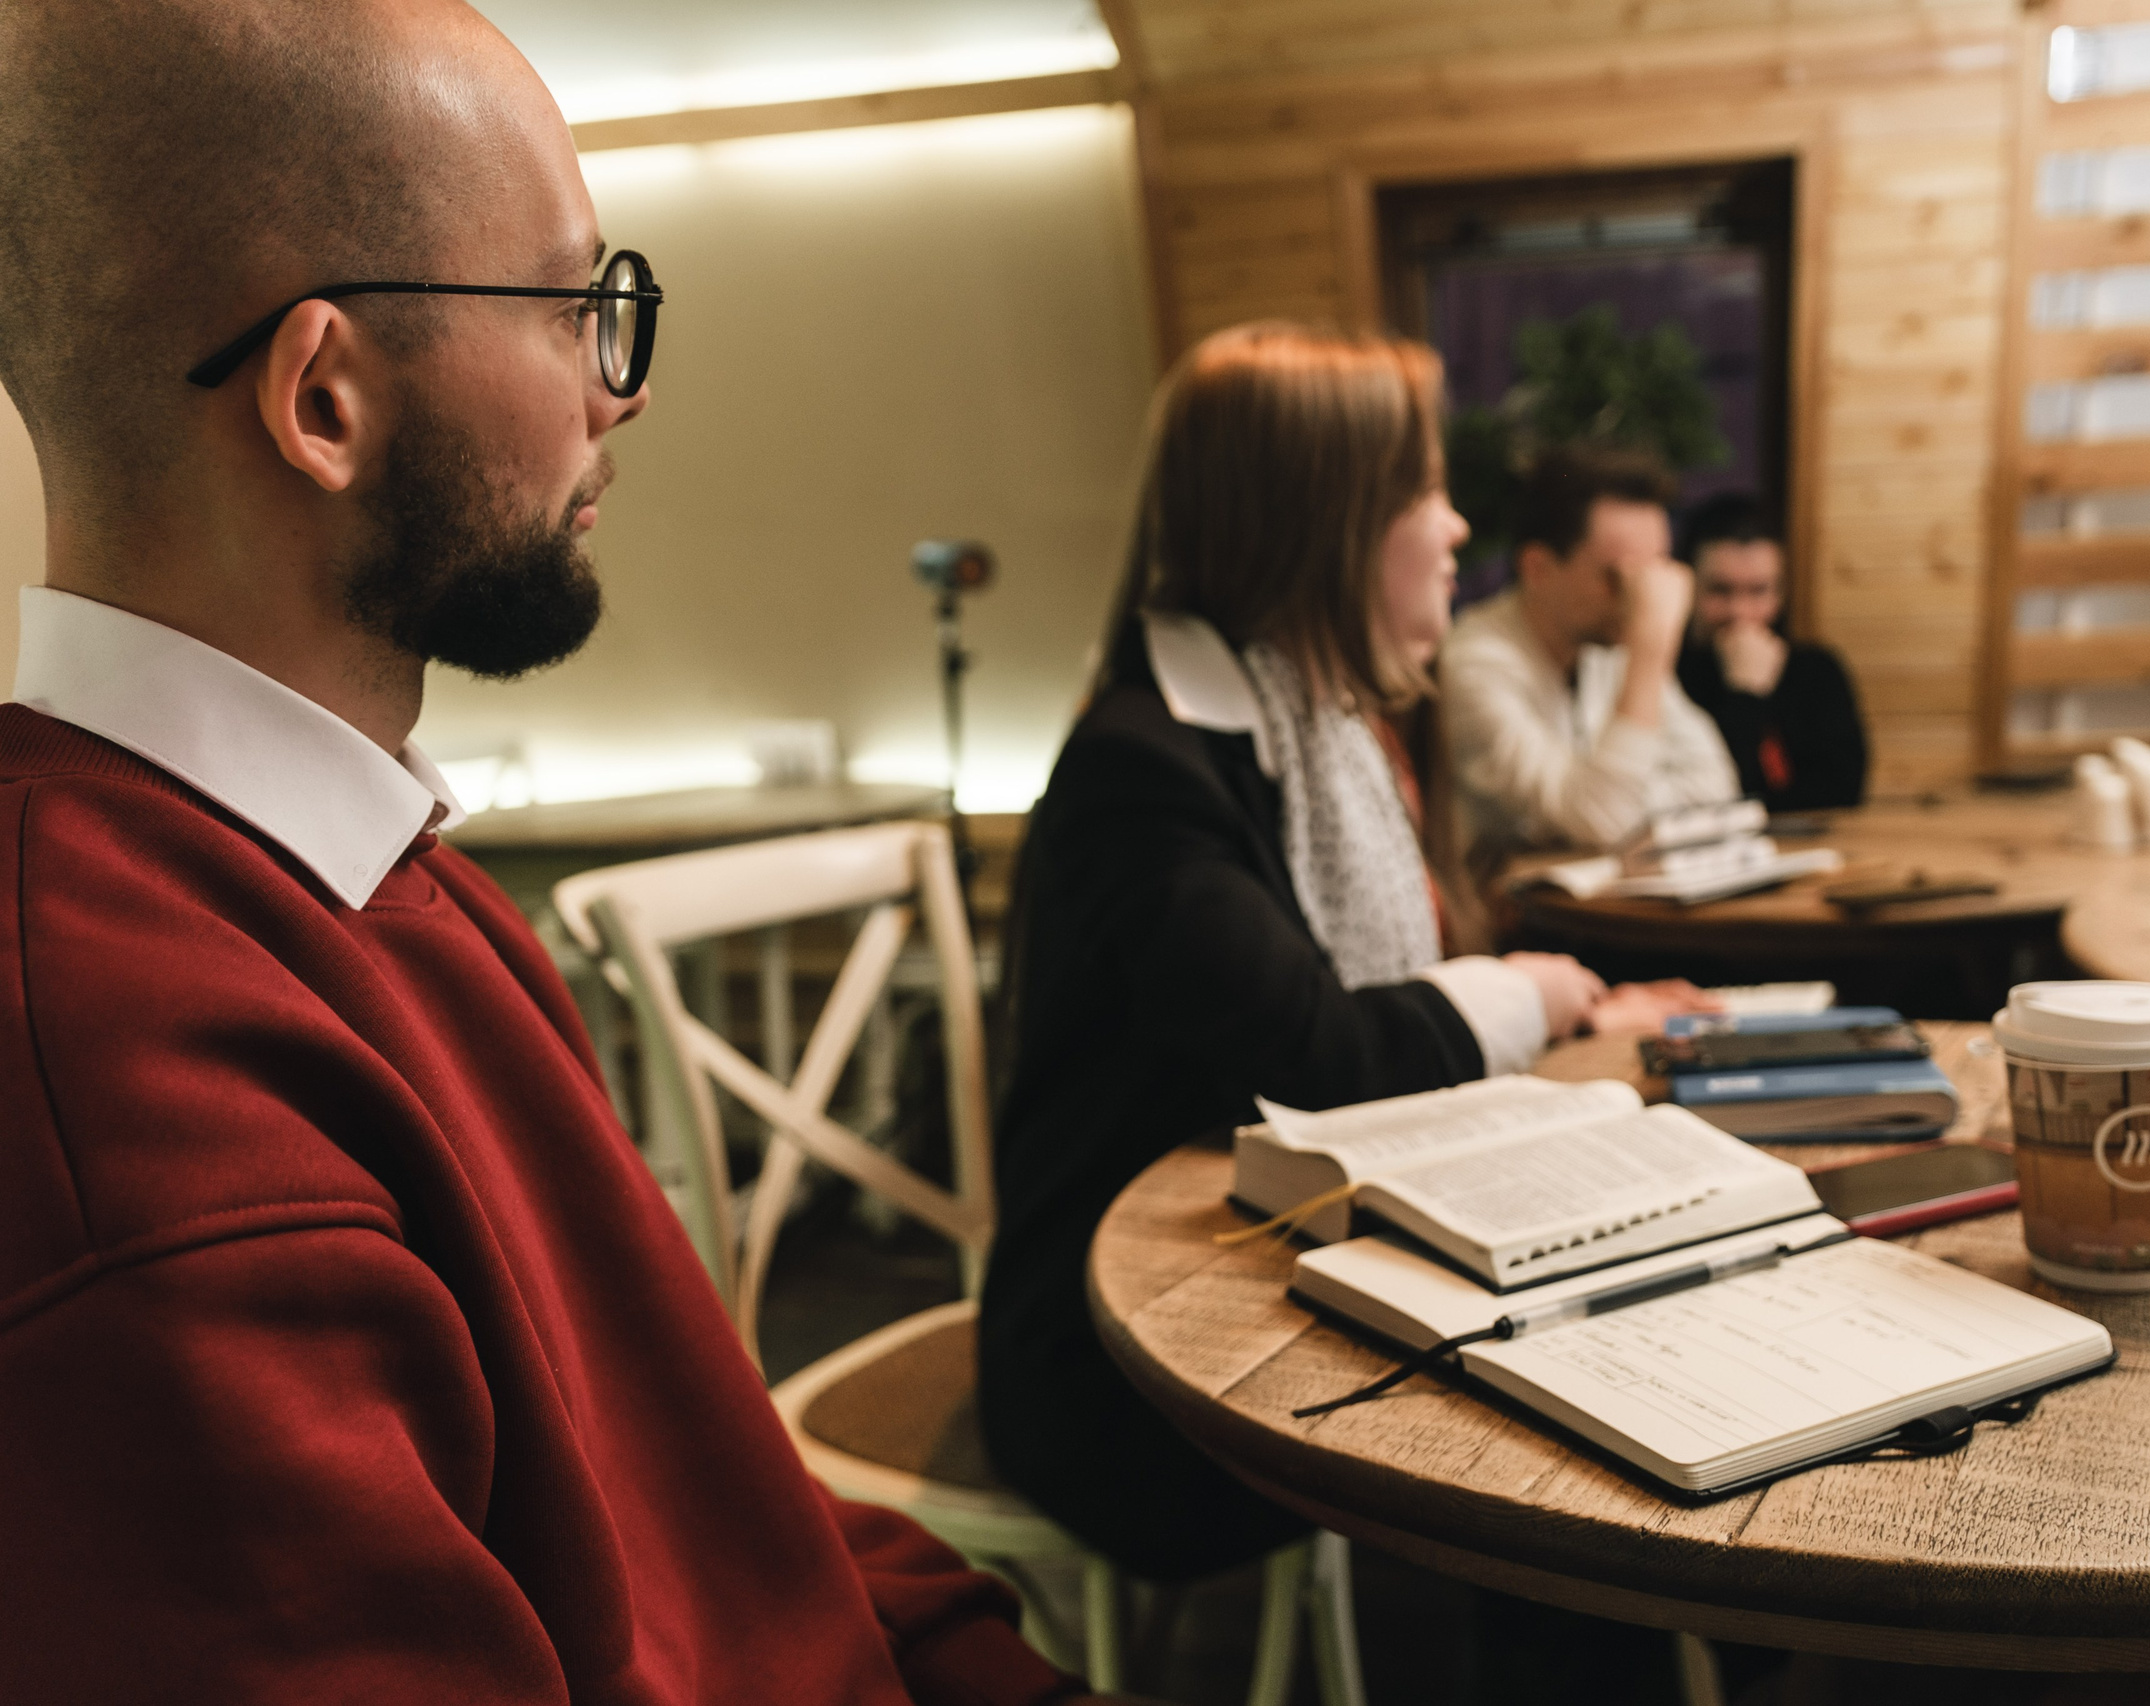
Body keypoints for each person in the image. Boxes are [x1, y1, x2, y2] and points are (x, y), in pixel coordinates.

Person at [0, 3, 1105, 1700]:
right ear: (324, 400)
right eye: (578, 302)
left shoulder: (385, 872)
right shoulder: (119, 1098)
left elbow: (711, 1499)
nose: (622, 388)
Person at [980, 323, 1656, 1583]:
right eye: (1421, 491)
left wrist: (1561, 1001)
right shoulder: (1150, 761)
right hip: (1130, 1363)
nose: (1458, 530)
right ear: (1315, 523)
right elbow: (1323, 1051)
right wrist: (1533, 993)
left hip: (1262, 1266)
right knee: (1559, 1439)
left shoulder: (1312, 726)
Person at [1438, 445, 1740, 867]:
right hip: (1507, 928)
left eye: (1654, 572)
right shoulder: (1474, 665)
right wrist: (1650, 649)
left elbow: (1715, 786)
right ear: (1538, 568)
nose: (1642, 599)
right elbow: (1604, 820)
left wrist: (1609, 804)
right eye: (1619, 576)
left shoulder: (1607, 647)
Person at [1677, 494, 1869, 811]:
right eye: (1720, 590)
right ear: (1689, 586)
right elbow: (1716, 794)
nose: (1739, 612)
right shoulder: (1668, 673)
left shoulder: (1817, 670)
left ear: (1781, 594)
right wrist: (1745, 696)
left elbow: (1844, 789)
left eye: (1758, 591)